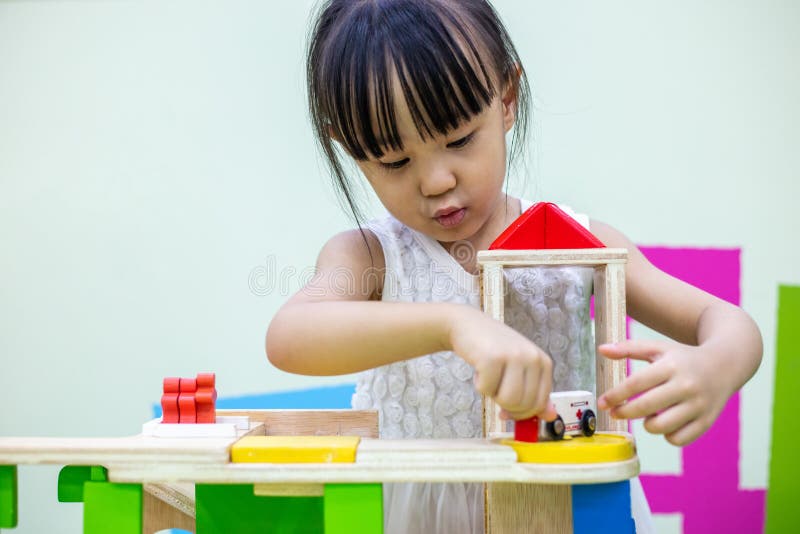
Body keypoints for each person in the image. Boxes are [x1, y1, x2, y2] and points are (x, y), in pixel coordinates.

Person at [266, 1, 763, 532]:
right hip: (421, 518)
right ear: (351, 150)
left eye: (458, 139)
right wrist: (455, 323)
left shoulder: (572, 239)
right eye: (394, 161)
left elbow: (728, 322)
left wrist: (714, 366)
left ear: (506, 99)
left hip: (563, 507)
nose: (435, 181)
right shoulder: (370, 255)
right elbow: (291, 334)